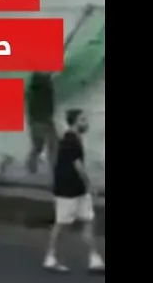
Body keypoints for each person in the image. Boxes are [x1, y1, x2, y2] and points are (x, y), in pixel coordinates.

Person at [44, 109, 104, 273]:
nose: (86, 123)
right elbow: (78, 166)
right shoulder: (70, 141)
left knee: (88, 220)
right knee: (62, 225)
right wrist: (90, 184)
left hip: (78, 189)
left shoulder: (74, 139)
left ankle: (94, 258)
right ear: (75, 122)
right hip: (67, 190)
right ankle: (51, 257)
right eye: (83, 120)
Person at [26, 72, 58, 174]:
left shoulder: (32, 91)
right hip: (45, 121)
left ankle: (31, 169)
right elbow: (50, 107)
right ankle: (54, 169)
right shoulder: (46, 89)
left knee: (38, 146)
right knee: (53, 145)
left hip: (34, 121)